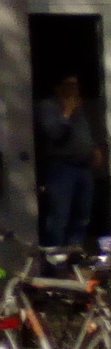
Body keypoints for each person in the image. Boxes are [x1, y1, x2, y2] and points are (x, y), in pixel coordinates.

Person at [36, 72, 106, 248]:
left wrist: (93, 148)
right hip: (62, 167)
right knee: (59, 217)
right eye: (69, 85)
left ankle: (74, 255)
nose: (74, 89)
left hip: (83, 167)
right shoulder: (49, 106)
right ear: (58, 87)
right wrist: (66, 113)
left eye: (76, 85)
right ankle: (55, 258)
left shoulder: (78, 106)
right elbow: (54, 133)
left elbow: (83, 132)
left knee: (82, 217)